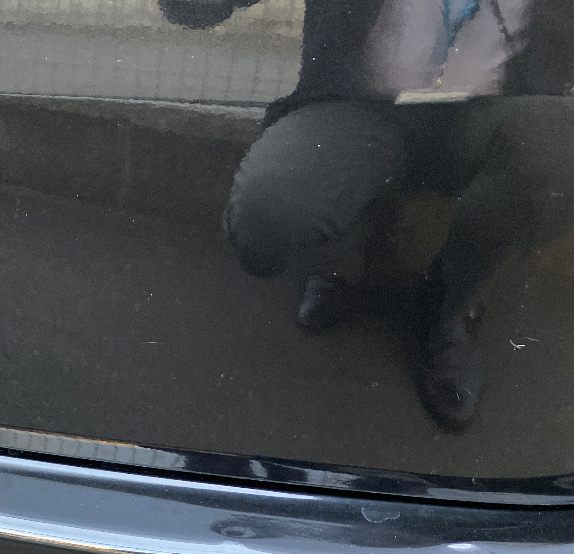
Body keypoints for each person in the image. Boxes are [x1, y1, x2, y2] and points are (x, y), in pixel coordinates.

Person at [160, 0, 574, 427]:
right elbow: (192, 10)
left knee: (556, 159)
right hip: (360, 100)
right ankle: (339, 272)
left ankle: (449, 309)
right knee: (267, 217)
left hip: (497, 106)